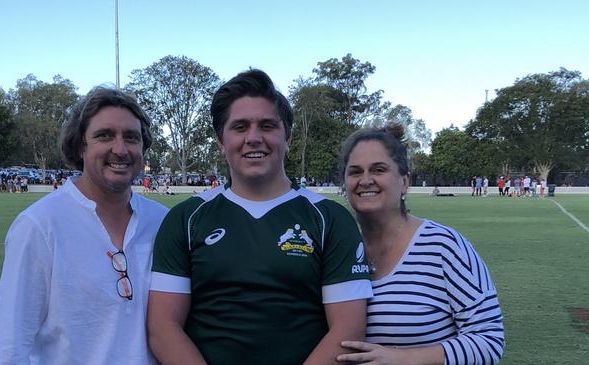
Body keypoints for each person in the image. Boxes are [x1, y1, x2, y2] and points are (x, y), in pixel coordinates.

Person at [148, 70, 372, 364]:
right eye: (240, 127)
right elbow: (163, 328)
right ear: (220, 141)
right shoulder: (186, 218)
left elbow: (348, 329)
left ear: (287, 137)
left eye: (267, 126)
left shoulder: (329, 218)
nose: (254, 138)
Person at [0, 87, 169, 364]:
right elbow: (9, 346)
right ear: (81, 146)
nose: (120, 149)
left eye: (131, 137)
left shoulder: (162, 222)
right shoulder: (39, 226)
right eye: (104, 135)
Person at [336, 125, 504, 364]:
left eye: (379, 169)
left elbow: (489, 340)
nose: (365, 180)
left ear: (404, 181)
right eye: (355, 172)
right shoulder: (337, 248)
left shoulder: (444, 246)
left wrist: (402, 358)